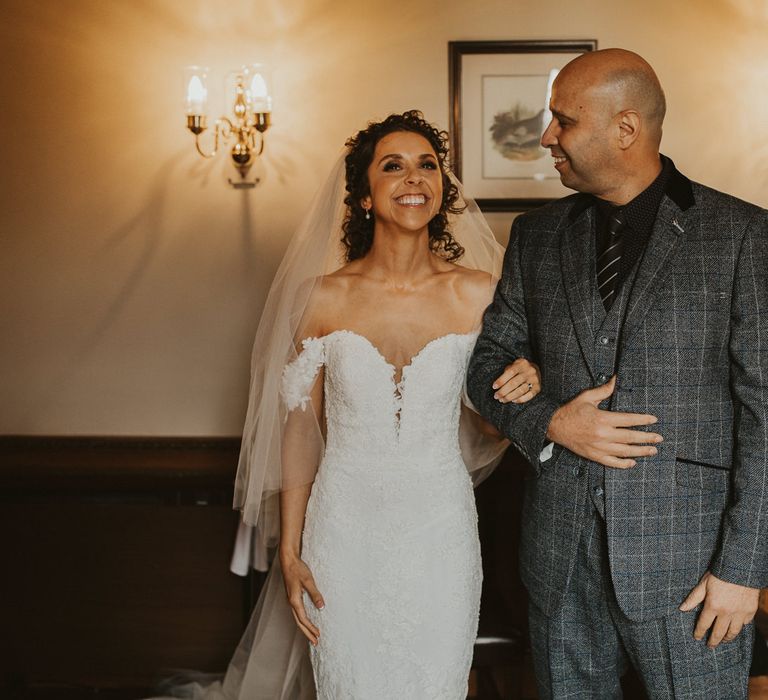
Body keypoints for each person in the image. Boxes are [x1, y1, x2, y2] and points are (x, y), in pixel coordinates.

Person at [150, 111, 540, 700]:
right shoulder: (323, 297)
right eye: (394, 165)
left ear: (443, 187)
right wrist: (289, 547)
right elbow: (302, 430)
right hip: (344, 531)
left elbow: (489, 423)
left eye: (427, 165)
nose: (415, 177)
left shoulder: (479, 292)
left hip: (440, 530)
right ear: (362, 195)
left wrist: (521, 389)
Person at [467, 48, 768, 698]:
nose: (546, 136)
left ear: (625, 129)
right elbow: (487, 363)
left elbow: (765, 415)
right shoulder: (536, 237)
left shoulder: (744, 236)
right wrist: (549, 421)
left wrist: (744, 571)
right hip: (559, 559)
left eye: (562, 121)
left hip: (692, 574)